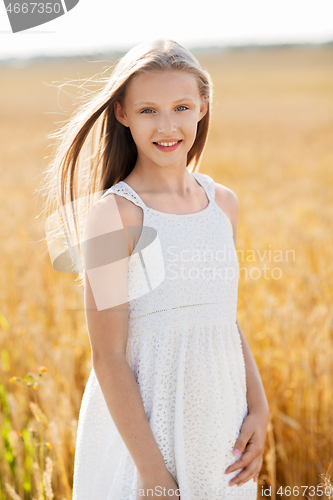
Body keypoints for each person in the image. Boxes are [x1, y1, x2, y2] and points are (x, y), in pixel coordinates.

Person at [42, 38, 270, 499]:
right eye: (148, 111)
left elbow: (223, 319)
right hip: (144, 441)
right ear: (122, 114)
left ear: (203, 107)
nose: (167, 126)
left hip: (220, 426)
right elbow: (107, 355)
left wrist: (259, 411)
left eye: (181, 106)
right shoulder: (118, 214)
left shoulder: (222, 204)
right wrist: (152, 474)